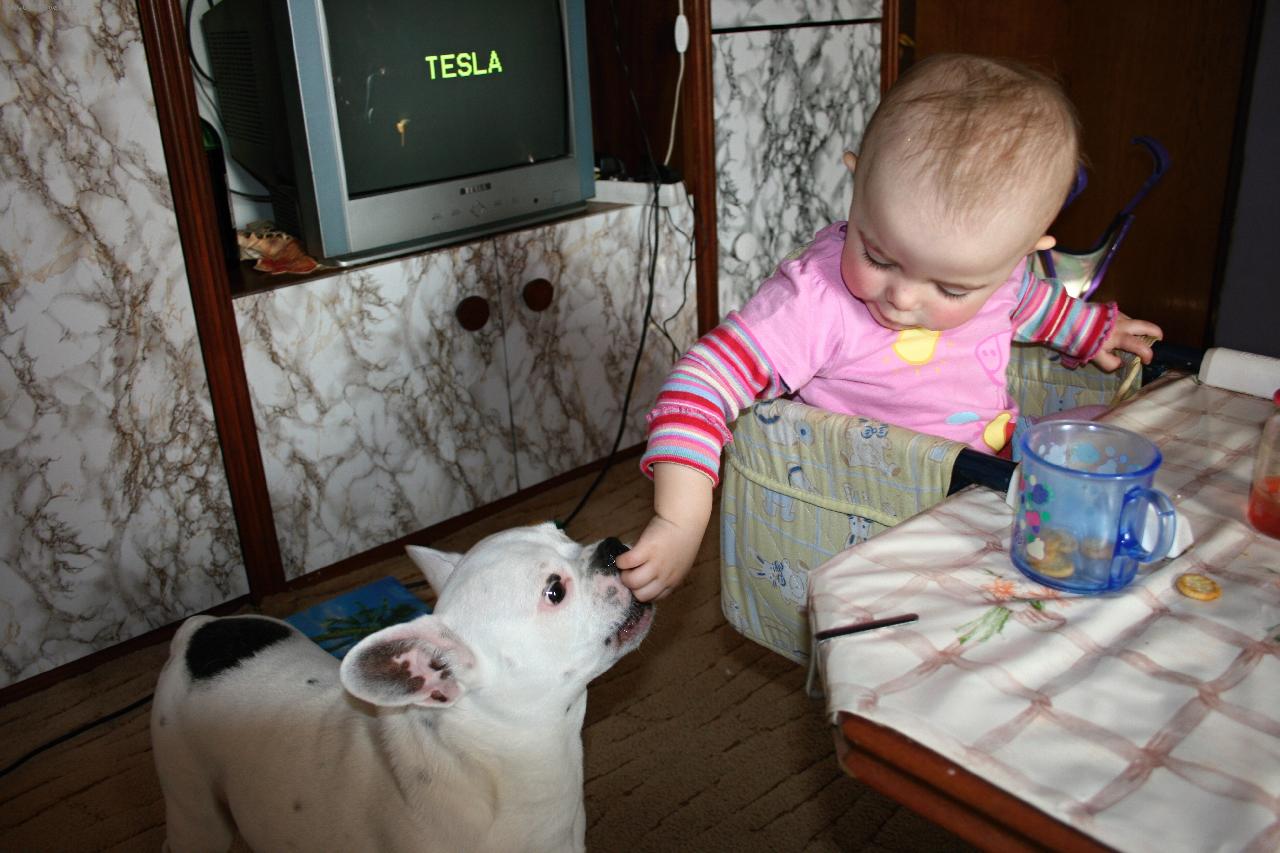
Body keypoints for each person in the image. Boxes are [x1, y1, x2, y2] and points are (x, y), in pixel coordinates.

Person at [615, 53, 1165, 602]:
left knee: (1110, 439)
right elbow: (700, 385)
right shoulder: (817, 302)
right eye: (877, 256)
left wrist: (1093, 331)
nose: (902, 298)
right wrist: (678, 520)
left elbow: (1029, 301)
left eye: (951, 289)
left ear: (1021, 253)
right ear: (857, 183)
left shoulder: (998, 272)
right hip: (879, 516)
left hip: (989, 474)